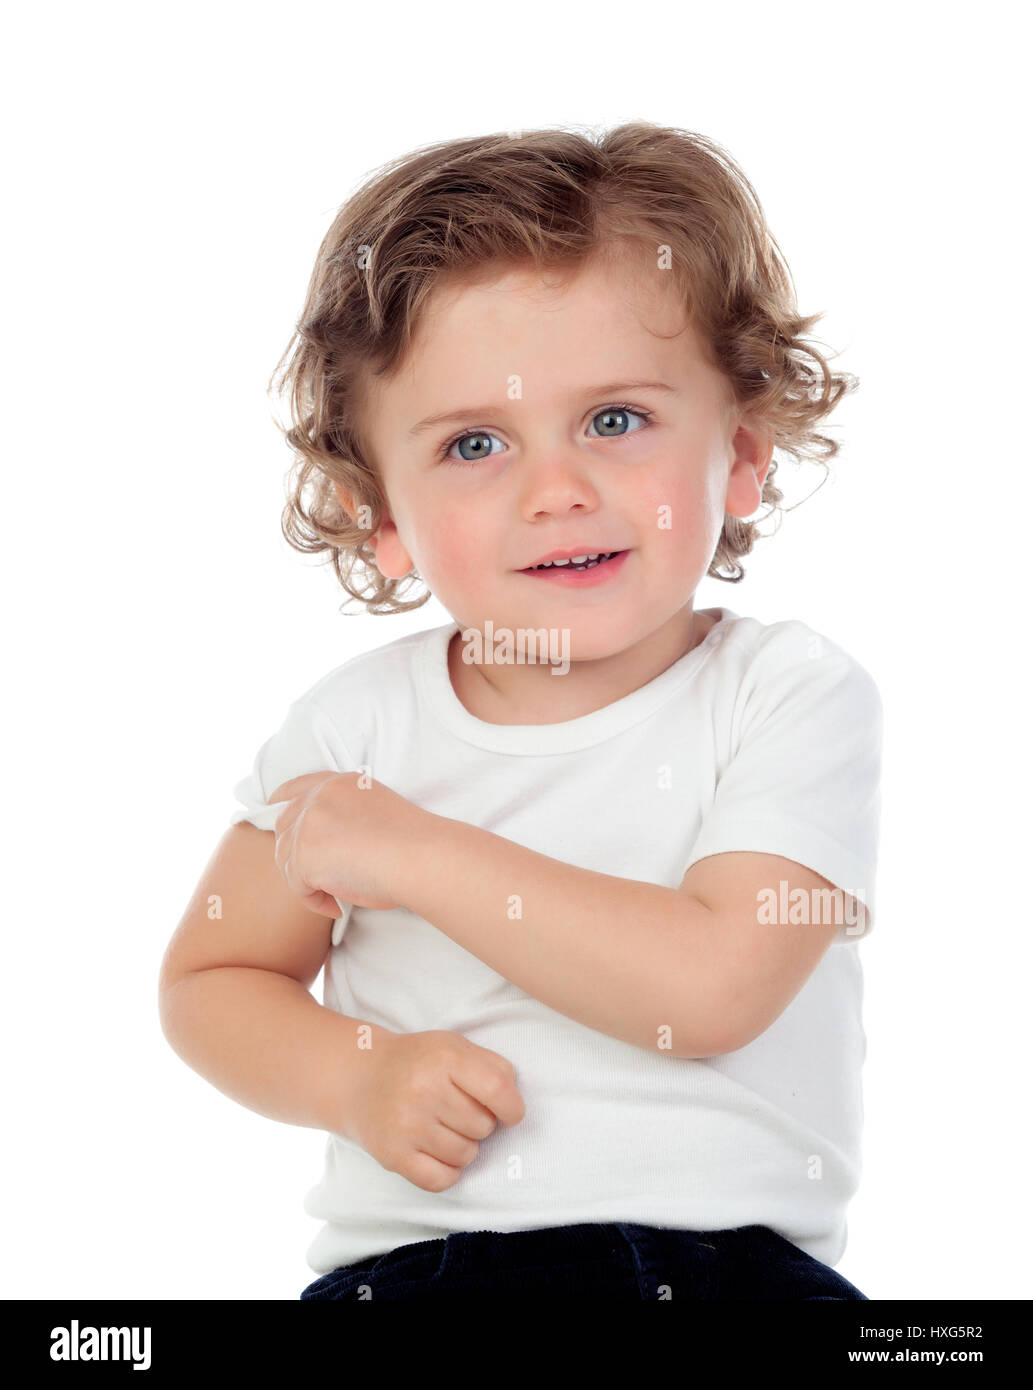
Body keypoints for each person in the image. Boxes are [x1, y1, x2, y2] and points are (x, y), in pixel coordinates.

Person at [158, 123, 882, 1302]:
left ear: (741, 455)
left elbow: (710, 987)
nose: (557, 491)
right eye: (475, 443)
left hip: (729, 1274)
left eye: (615, 420)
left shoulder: (788, 694)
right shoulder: (352, 730)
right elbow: (215, 977)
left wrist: (416, 851)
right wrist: (358, 1076)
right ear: (381, 516)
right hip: (423, 1275)